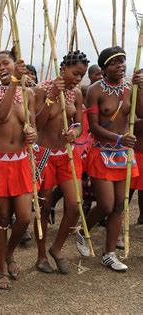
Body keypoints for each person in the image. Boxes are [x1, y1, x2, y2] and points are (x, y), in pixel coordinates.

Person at [76, 46, 143, 272]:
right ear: (104, 68)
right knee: (105, 204)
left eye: (123, 61)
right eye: (115, 63)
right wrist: (118, 138)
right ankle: (83, 229)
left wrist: (140, 89)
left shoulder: (128, 88)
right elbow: (94, 127)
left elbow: (140, 114)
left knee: (119, 206)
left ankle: (109, 253)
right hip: (102, 152)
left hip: (123, 155)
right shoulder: (94, 90)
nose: (121, 65)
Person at [0, 47, 37, 290]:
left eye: (6, 63)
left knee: (25, 217)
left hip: (21, 161)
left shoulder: (29, 94)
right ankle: (1, 268)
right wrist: (15, 82)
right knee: (3, 217)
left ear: (17, 63)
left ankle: (10, 254)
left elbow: (32, 124)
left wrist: (33, 134)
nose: (1, 68)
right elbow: (2, 115)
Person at [33, 50, 89, 274]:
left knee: (75, 206)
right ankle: (40, 255)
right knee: (44, 208)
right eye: (75, 73)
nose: (78, 79)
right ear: (63, 69)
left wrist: (74, 133)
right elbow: (37, 123)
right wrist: (52, 96)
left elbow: (79, 124)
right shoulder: (42, 90)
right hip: (45, 155)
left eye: (81, 75)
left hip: (67, 155)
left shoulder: (76, 93)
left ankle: (56, 248)